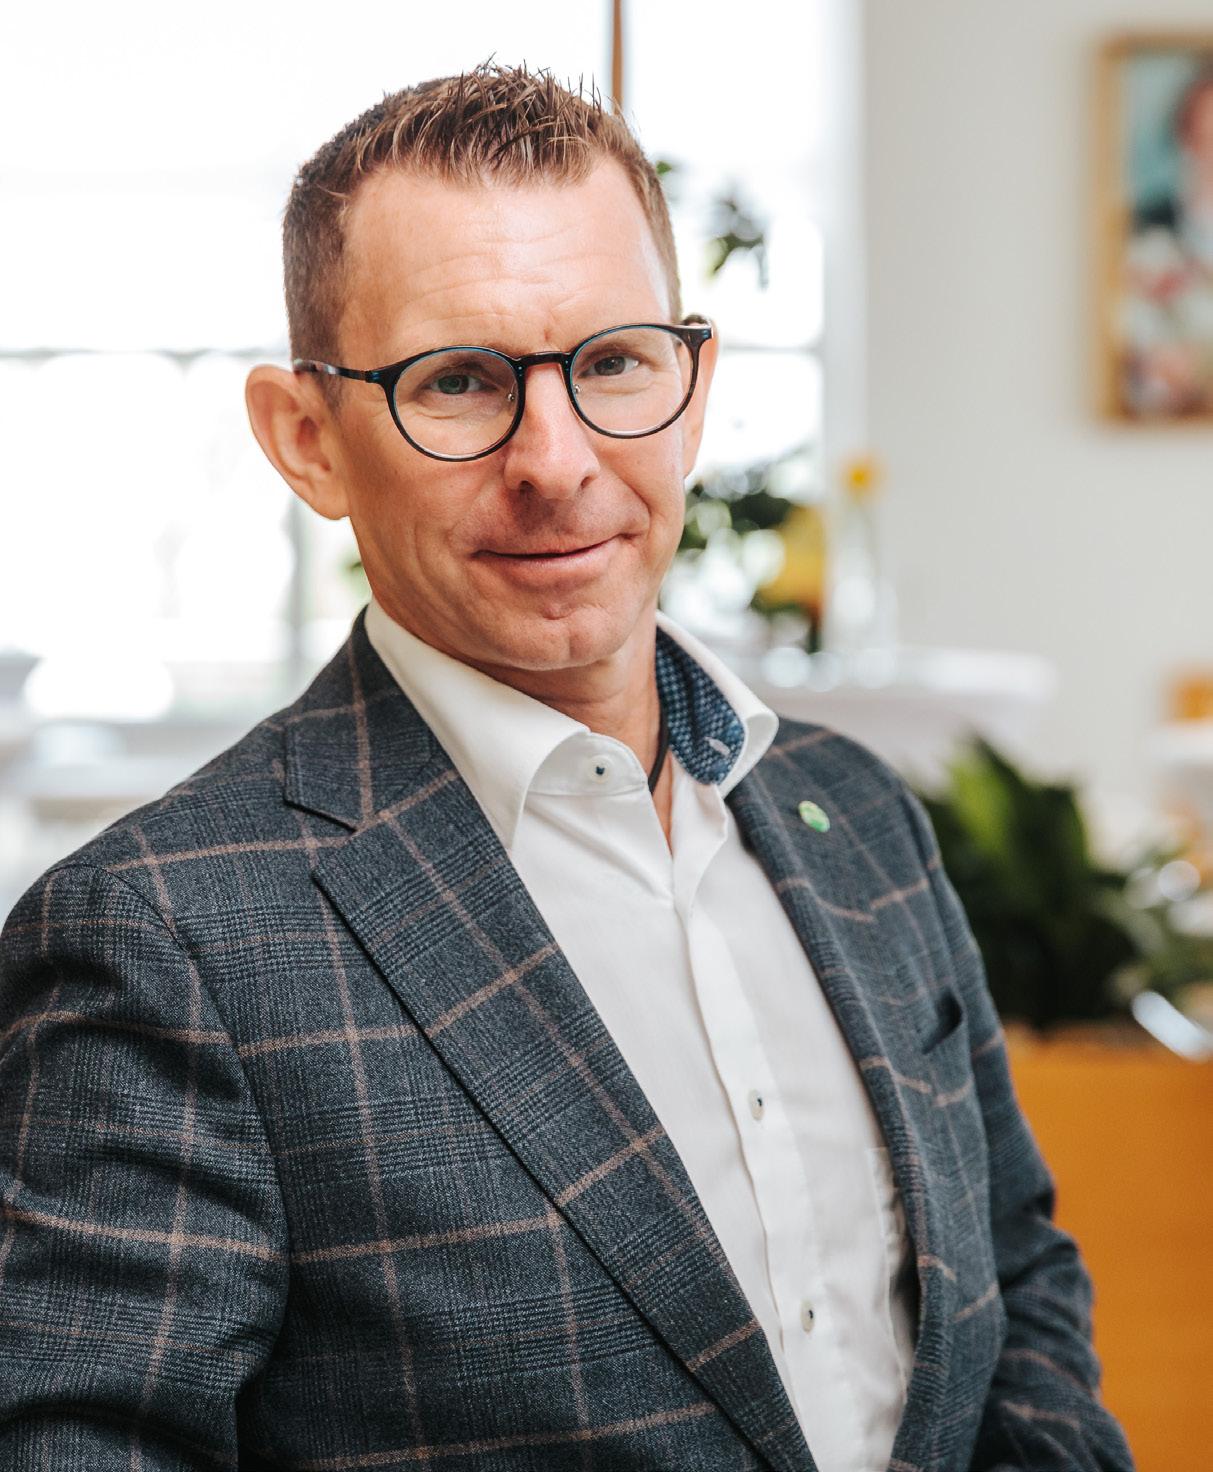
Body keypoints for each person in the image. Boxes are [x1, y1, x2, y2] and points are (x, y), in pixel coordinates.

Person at [0, 64, 1134, 1472]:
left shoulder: (860, 817)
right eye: (457, 381)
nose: (557, 460)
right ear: (308, 440)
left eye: (611, 365)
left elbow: (1013, 1279)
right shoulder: (161, 935)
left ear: (693, 389)